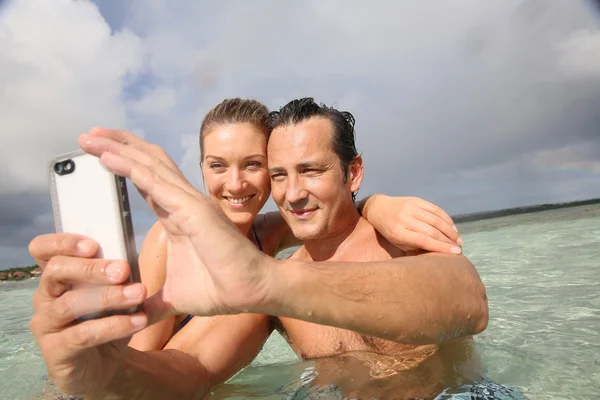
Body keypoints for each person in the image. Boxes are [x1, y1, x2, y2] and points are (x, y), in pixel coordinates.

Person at [28, 99, 484, 399]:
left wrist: (376, 205)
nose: (292, 193)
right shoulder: (261, 285)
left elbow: (467, 301)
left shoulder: (398, 235)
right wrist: (106, 375)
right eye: (281, 174)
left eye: (311, 170)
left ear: (353, 172)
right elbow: (192, 370)